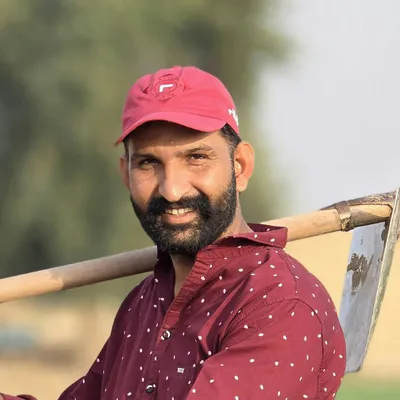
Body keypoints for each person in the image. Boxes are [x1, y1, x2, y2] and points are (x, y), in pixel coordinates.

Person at [1, 66, 346, 400]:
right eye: (148, 163)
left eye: (196, 157)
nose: (172, 190)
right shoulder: (143, 303)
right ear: (126, 175)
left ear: (240, 167)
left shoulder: (281, 306)